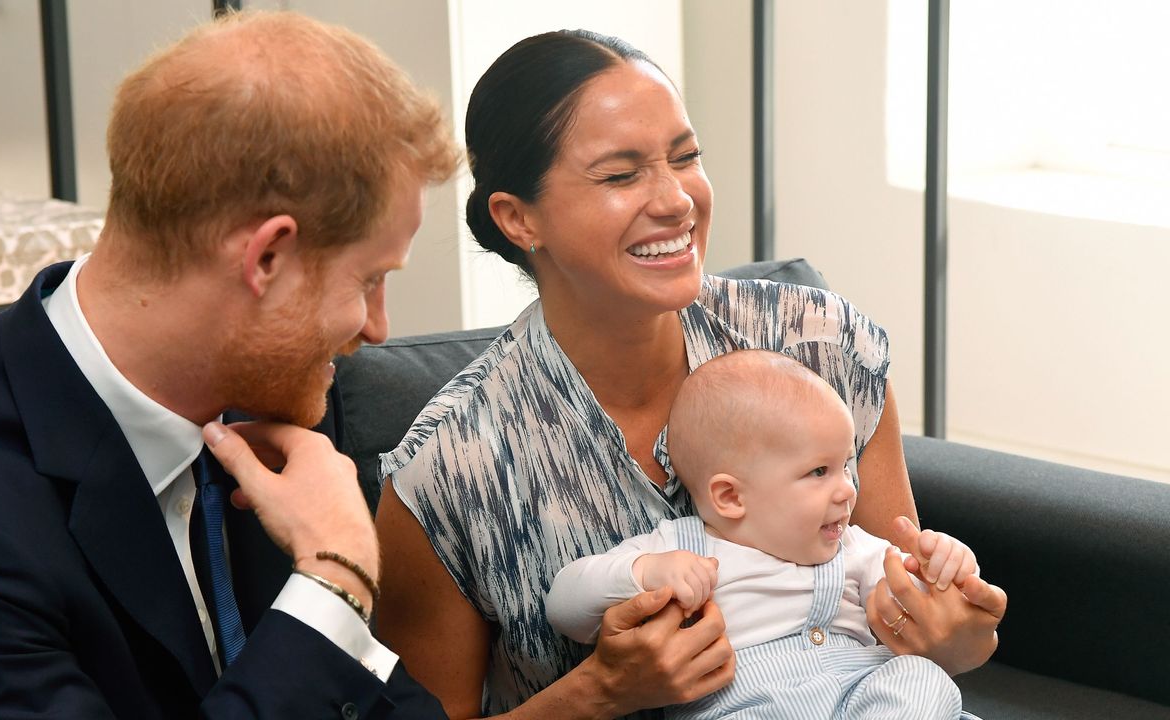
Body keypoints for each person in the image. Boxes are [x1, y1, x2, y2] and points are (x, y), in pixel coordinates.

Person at [373, 28, 1007, 719]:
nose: (676, 199)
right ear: (518, 218)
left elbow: (904, 614)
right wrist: (600, 691)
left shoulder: (823, 348)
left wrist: (960, 635)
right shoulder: (449, 472)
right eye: (620, 174)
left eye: (686, 157)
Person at [0, 10, 456, 718]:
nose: (377, 328)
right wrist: (332, 586)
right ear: (267, 258)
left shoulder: (271, 393)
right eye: (370, 279)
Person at [546, 349, 991, 719]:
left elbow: (918, 603)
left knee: (921, 678)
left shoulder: (854, 548)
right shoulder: (677, 549)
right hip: (744, 705)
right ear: (730, 497)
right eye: (819, 471)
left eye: (845, 467)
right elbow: (564, 605)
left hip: (864, 698)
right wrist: (644, 573)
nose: (847, 488)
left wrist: (945, 566)